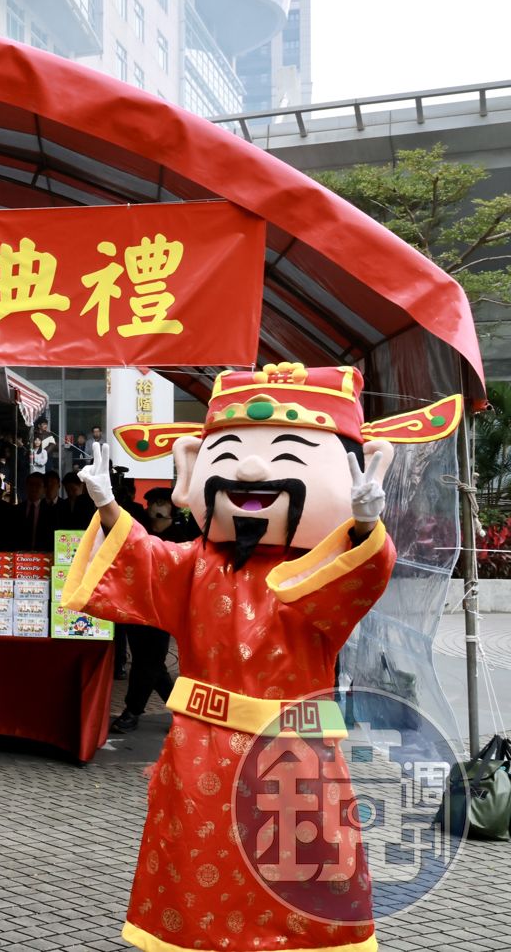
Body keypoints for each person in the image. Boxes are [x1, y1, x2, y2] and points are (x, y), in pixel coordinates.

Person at [59, 364, 460, 952]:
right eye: (231, 454)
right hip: (201, 750)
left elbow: (359, 578)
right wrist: (111, 508)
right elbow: (144, 562)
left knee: (299, 888)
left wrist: (362, 529)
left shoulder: (320, 575)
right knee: (198, 886)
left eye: (289, 457)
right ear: (192, 471)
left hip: (294, 757)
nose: (249, 472)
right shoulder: (195, 563)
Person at [110, 487, 195, 733]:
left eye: (161, 504)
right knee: (150, 664)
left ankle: (132, 711)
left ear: (172, 509)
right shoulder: (140, 532)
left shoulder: (180, 537)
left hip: (163, 611)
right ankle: (184, 713)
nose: (155, 509)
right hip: (136, 607)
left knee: (148, 663)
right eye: (152, 504)